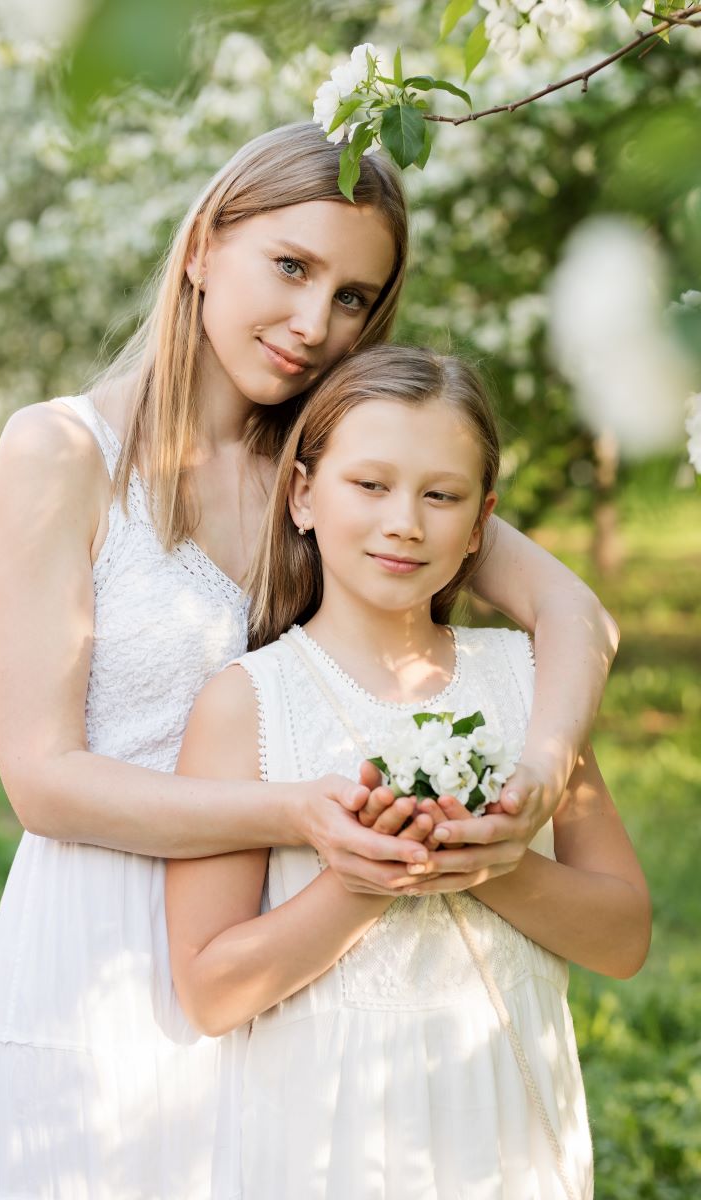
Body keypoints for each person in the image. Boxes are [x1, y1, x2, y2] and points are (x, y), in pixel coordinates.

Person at [0, 125, 618, 1199]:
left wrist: (541, 763)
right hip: (106, 944)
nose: (315, 324)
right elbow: (41, 779)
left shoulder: (334, 470)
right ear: (204, 246)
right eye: (291, 267)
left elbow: (575, 615)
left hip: (289, 947)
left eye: (354, 296)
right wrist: (302, 813)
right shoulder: (63, 452)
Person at [166, 344, 650, 1199]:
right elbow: (209, 991)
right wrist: (370, 878)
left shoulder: (531, 685)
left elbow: (624, 938)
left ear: (480, 523)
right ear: (304, 495)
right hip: (326, 1131)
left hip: (501, 1118)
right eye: (371, 485)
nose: (405, 522)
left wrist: (494, 866)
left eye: (441, 495)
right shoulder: (247, 704)